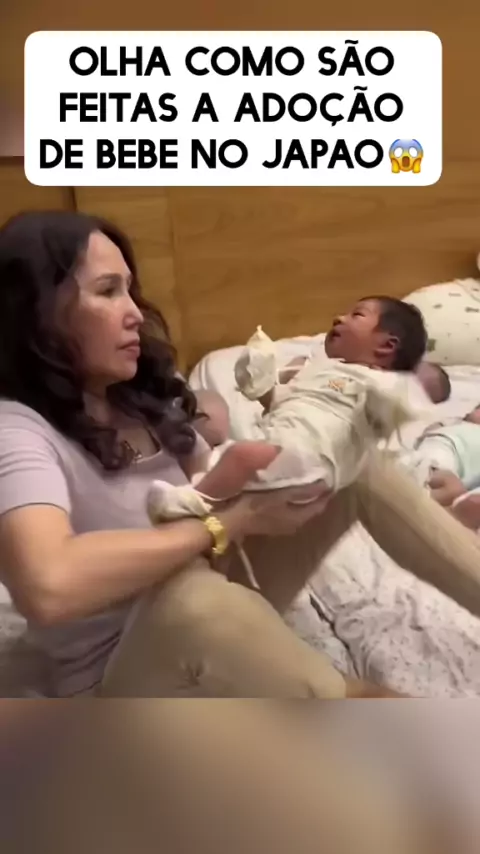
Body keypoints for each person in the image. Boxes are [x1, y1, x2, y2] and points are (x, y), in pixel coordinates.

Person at [0, 209, 409, 700]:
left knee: (357, 463)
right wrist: (229, 522)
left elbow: (215, 488)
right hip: (118, 673)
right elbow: (48, 586)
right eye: (107, 291)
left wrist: (284, 474)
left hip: (213, 588)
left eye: (130, 289)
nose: (135, 312)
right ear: (39, 312)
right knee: (197, 601)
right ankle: (344, 700)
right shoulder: (16, 427)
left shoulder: (139, 393)